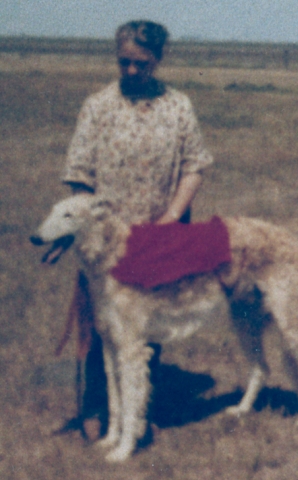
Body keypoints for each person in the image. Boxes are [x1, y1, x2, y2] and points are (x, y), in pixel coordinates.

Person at [56, 20, 213, 438]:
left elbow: (194, 166)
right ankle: (96, 407)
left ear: (157, 60)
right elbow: (79, 174)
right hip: (106, 242)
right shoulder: (98, 106)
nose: (130, 71)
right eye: (123, 62)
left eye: (140, 64)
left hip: (159, 235)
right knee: (103, 323)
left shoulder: (178, 106)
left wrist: (172, 217)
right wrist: (95, 226)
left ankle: (140, 410)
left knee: (148, 325)